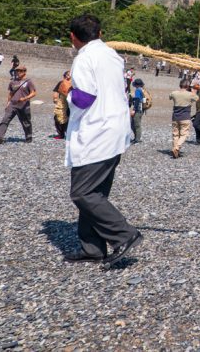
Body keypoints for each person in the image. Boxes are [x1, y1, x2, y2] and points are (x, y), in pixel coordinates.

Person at [63, 14, 142, 268]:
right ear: (100, 33)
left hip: (97, 131)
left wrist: (67, 92)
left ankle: (124, 234)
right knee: (97, 192)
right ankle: (92, 247)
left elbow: (84, 98)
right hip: (116, 128)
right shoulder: (112, 56)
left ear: (73, 37)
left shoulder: (85, 58)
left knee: (82, 192)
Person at [0, 65, 36, 144]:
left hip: (24, 105)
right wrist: (8, 103)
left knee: (26, 122)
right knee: (5, 120)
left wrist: (25, 98)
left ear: (24, 72)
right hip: (13, 104)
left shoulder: (28, 81)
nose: (18, 72)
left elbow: (33, 93)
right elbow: (10, 94)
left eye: (20, 71)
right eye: (17, 71)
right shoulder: (13, 82)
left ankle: (28, 136)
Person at [169, 79, 197, 159]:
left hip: (175, 116)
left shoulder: (174, 93)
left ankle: (176, 150)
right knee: (184, 134)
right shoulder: (190, 94)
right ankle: (176, 147)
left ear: (180, 85)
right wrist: (193, 92)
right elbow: (197, 98)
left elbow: (170, 97)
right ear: (187, 86)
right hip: (185, 116)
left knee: (175, 134)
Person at [128, 78, 146, 144]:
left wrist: (134, 110)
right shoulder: (142, 90)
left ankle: (137, 139)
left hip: (138, 109)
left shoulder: (138, 90)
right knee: (135, 123)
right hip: (141, 109)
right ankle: (136, 138)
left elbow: (138, 100)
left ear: (136, 84)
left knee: (135, 124)